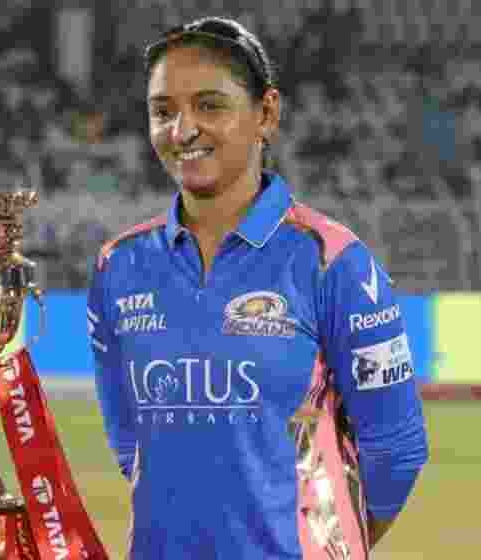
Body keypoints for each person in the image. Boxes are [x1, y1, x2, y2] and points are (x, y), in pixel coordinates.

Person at [89, 16, 428, 559]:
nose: (183, 130)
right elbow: (130, 443)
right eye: (163, 111)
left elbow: (396, 450)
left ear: (266, 113)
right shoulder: (118, 265)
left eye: (210, 105)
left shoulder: (333, 260)